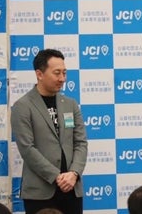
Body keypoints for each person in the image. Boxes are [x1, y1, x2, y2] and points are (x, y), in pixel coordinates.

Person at [10, 49, 88, 214]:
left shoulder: (70, 104)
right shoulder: (22, 106)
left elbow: (80, 142)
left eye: (64, 73)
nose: (62, 78)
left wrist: (74, 173)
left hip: (71, 188)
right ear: (39, 74)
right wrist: (57, 176)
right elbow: (27, 148)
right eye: (57, 73)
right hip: (40, 192)